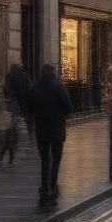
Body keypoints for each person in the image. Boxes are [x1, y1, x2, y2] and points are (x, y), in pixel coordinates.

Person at [29, 63, 73, 208]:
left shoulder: (35, 87)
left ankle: (43, 192)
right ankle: (52, 189)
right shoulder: (58, 86)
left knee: (45, 161)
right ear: (53, 73)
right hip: (56, 130)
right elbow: (69, 106)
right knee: (55, 161)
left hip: (41, 130)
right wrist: (62, 115)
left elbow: (29, 108)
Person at [0, 63, 31, 166]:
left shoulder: (9, 76)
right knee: (11, 131)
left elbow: (4, 88)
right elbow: (29, 88)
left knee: (9, 131)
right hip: (18, 105)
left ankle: (5, 156)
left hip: (10, 107)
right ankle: (8, 155)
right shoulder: (24, 76)